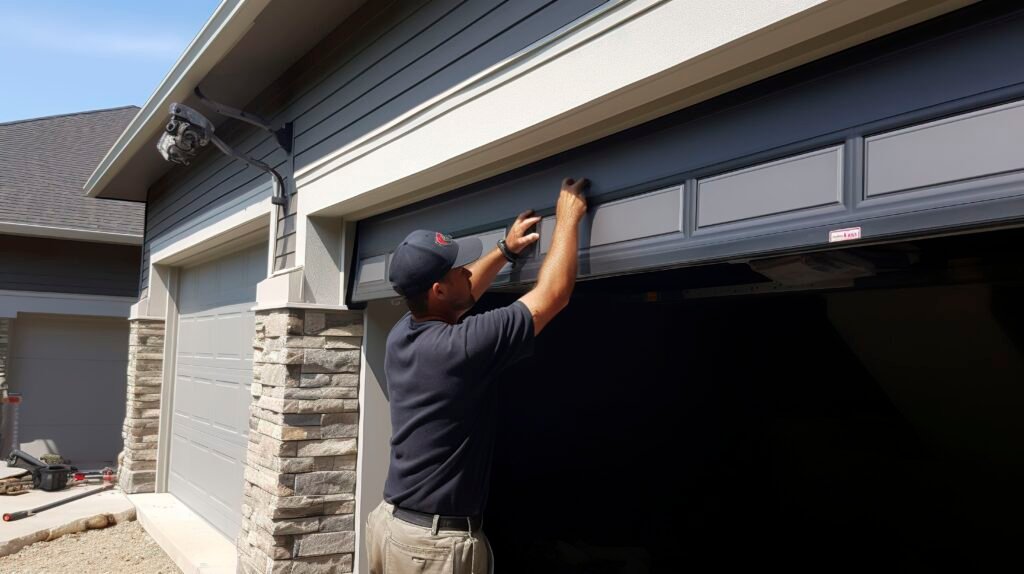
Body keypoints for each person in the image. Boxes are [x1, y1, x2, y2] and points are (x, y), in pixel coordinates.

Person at [365, 177, 590, 573]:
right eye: (457, 271)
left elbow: (461, 299)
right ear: (436, 289)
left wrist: (503, 250)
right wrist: (568, 217)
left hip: (390, 526)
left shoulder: (405, 331)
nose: (467, 272)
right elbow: (554, 294)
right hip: (431, 550)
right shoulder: (459, 348)